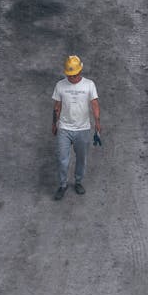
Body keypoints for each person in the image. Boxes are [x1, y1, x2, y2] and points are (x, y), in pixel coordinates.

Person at [51, 55, 101, 200]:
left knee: (81, 159)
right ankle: (62, 185)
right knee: (62, 159)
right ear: (66, 73)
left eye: (75, 74)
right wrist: (54, 124)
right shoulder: (60, 85)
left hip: (83, 129)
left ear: (80, 71)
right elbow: (57, 107)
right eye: (70, 75)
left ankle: (78, 182)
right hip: (64, 129)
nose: (72, 77)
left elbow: (95, 104)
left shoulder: (89, 85)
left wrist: (98, 123)